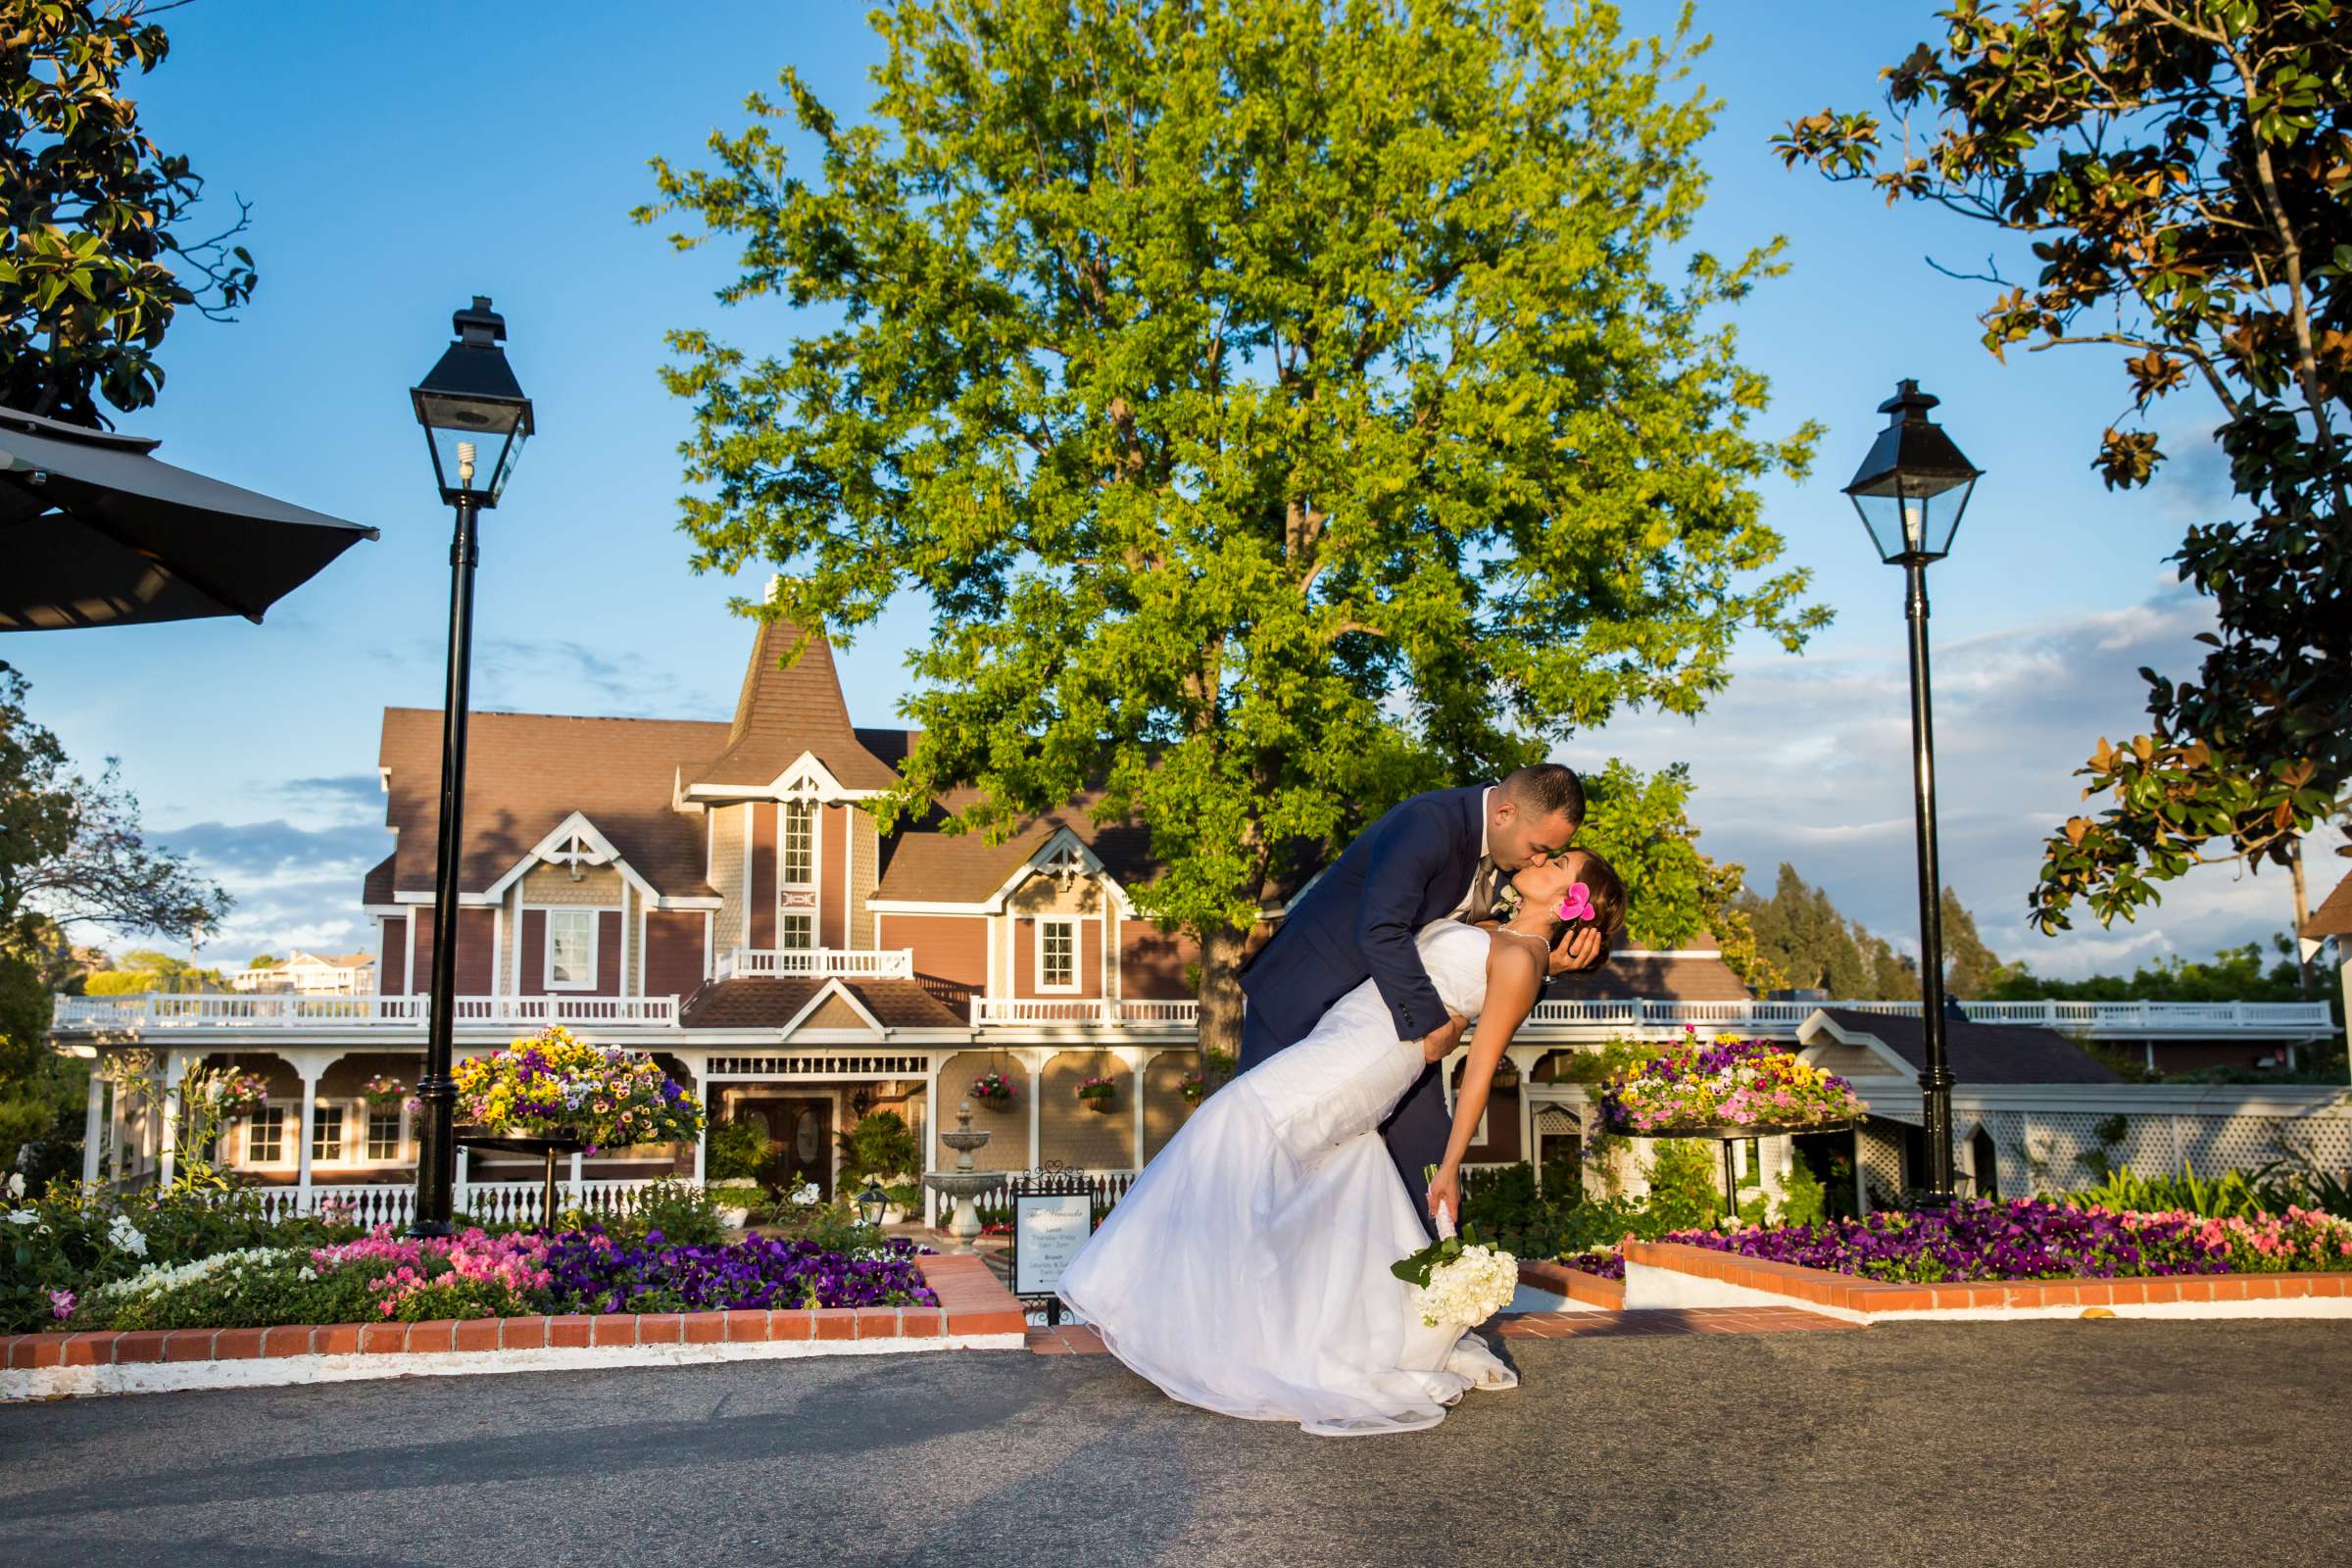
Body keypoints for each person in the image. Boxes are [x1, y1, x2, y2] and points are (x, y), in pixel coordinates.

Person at [1057, 849, 1629, 1436]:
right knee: (1276, 1163)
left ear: (1569, 900)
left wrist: (1452, 1164)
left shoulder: (1523, 959)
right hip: (1348, 1032)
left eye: (1560, 863)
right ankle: (1235, 1324)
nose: (1544, 858)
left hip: (1370, 1058)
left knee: (1233, 1125)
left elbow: (1480, 1068)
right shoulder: (1496, 930)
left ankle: (1170, 1315)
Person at [1239, 765, 1609, 1231]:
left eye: (1551, 857)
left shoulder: (1509, 873)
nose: (1538, 862)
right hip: (1302, 997)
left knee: (1426, 1158)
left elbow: (1492, 970)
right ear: (1505, 813)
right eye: (1539, 850)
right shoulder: (1429, 823)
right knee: (1256, 1154)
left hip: (1394, 1028)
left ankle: (1439, 1289)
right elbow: (1381, 929)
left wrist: (1547, 968)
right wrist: (1438, 1028)